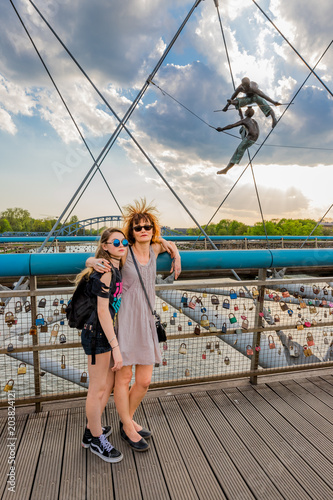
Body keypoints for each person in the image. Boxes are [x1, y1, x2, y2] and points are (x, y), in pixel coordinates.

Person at [86, 199, 181, 452]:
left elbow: (168, 244)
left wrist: (177, 254)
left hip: (147, 320)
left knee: (145, 381)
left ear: (153, 229)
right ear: (131, 232)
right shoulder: (124, 251)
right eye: (138, 228)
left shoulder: (153, 249)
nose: (143, 231)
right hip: (126, 320)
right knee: (124, 377)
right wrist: (91, 263)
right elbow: (96, 257)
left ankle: (125, 418)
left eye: (147, 226)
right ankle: (128, 426)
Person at [79, 227, 128, 463]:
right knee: (97, 389)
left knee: (103, 386)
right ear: (106, 246)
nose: (121, 244)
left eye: (124, 240)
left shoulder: (117, 263)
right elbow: (101, 311)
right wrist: (115, 346)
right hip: (98, 335)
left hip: (102, 334)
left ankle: (91, 431)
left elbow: (151, 245)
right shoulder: (107, 270)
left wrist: (173, 250)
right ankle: (97, 440)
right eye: (115, 242)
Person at [216, 106, 259, 175]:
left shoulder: (244, 121)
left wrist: (222, 129)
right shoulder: (253, 121)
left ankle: (226, 170)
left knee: (237, 153)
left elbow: (232, 126)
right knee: (243, 127)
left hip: (249, 139)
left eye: (246, 111)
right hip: (254, 139)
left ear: (247, 112)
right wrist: (239, 109)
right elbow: (243, 119)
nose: (245, 111)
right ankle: (226, 169)